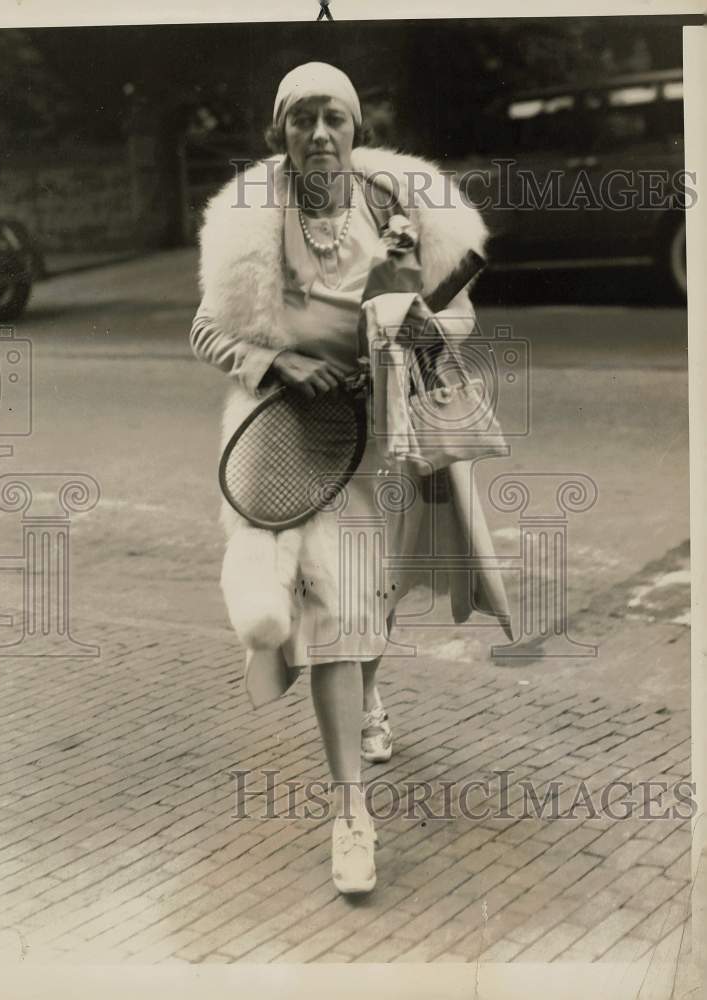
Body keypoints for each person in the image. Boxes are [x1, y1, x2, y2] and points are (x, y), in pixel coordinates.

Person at [190, 62, 511, 895]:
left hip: (392, 438)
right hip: (299, 442)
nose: (319, 134)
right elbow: (206, 327)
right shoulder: (249, 225)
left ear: (355, 128)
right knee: (331, 611)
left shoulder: (395, 207)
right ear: (280, 134)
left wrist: (415, 332)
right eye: (301, 120)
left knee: (375, 596)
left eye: (333, 117)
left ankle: (369, 700)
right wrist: (280, 361)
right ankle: (350, 815)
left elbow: (457, 313)